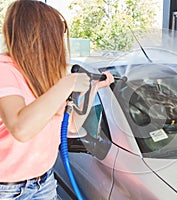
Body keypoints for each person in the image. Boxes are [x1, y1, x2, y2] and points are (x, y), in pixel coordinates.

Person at [0, 0, 114, 199]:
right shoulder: (5, 70)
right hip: (7, 190)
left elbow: (72, 126)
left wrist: (92, 89)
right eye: (57, 33)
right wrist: (67, 84)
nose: (60, 42)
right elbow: (21, 128)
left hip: (44, 183)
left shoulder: (46, 76)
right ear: (37, 34)